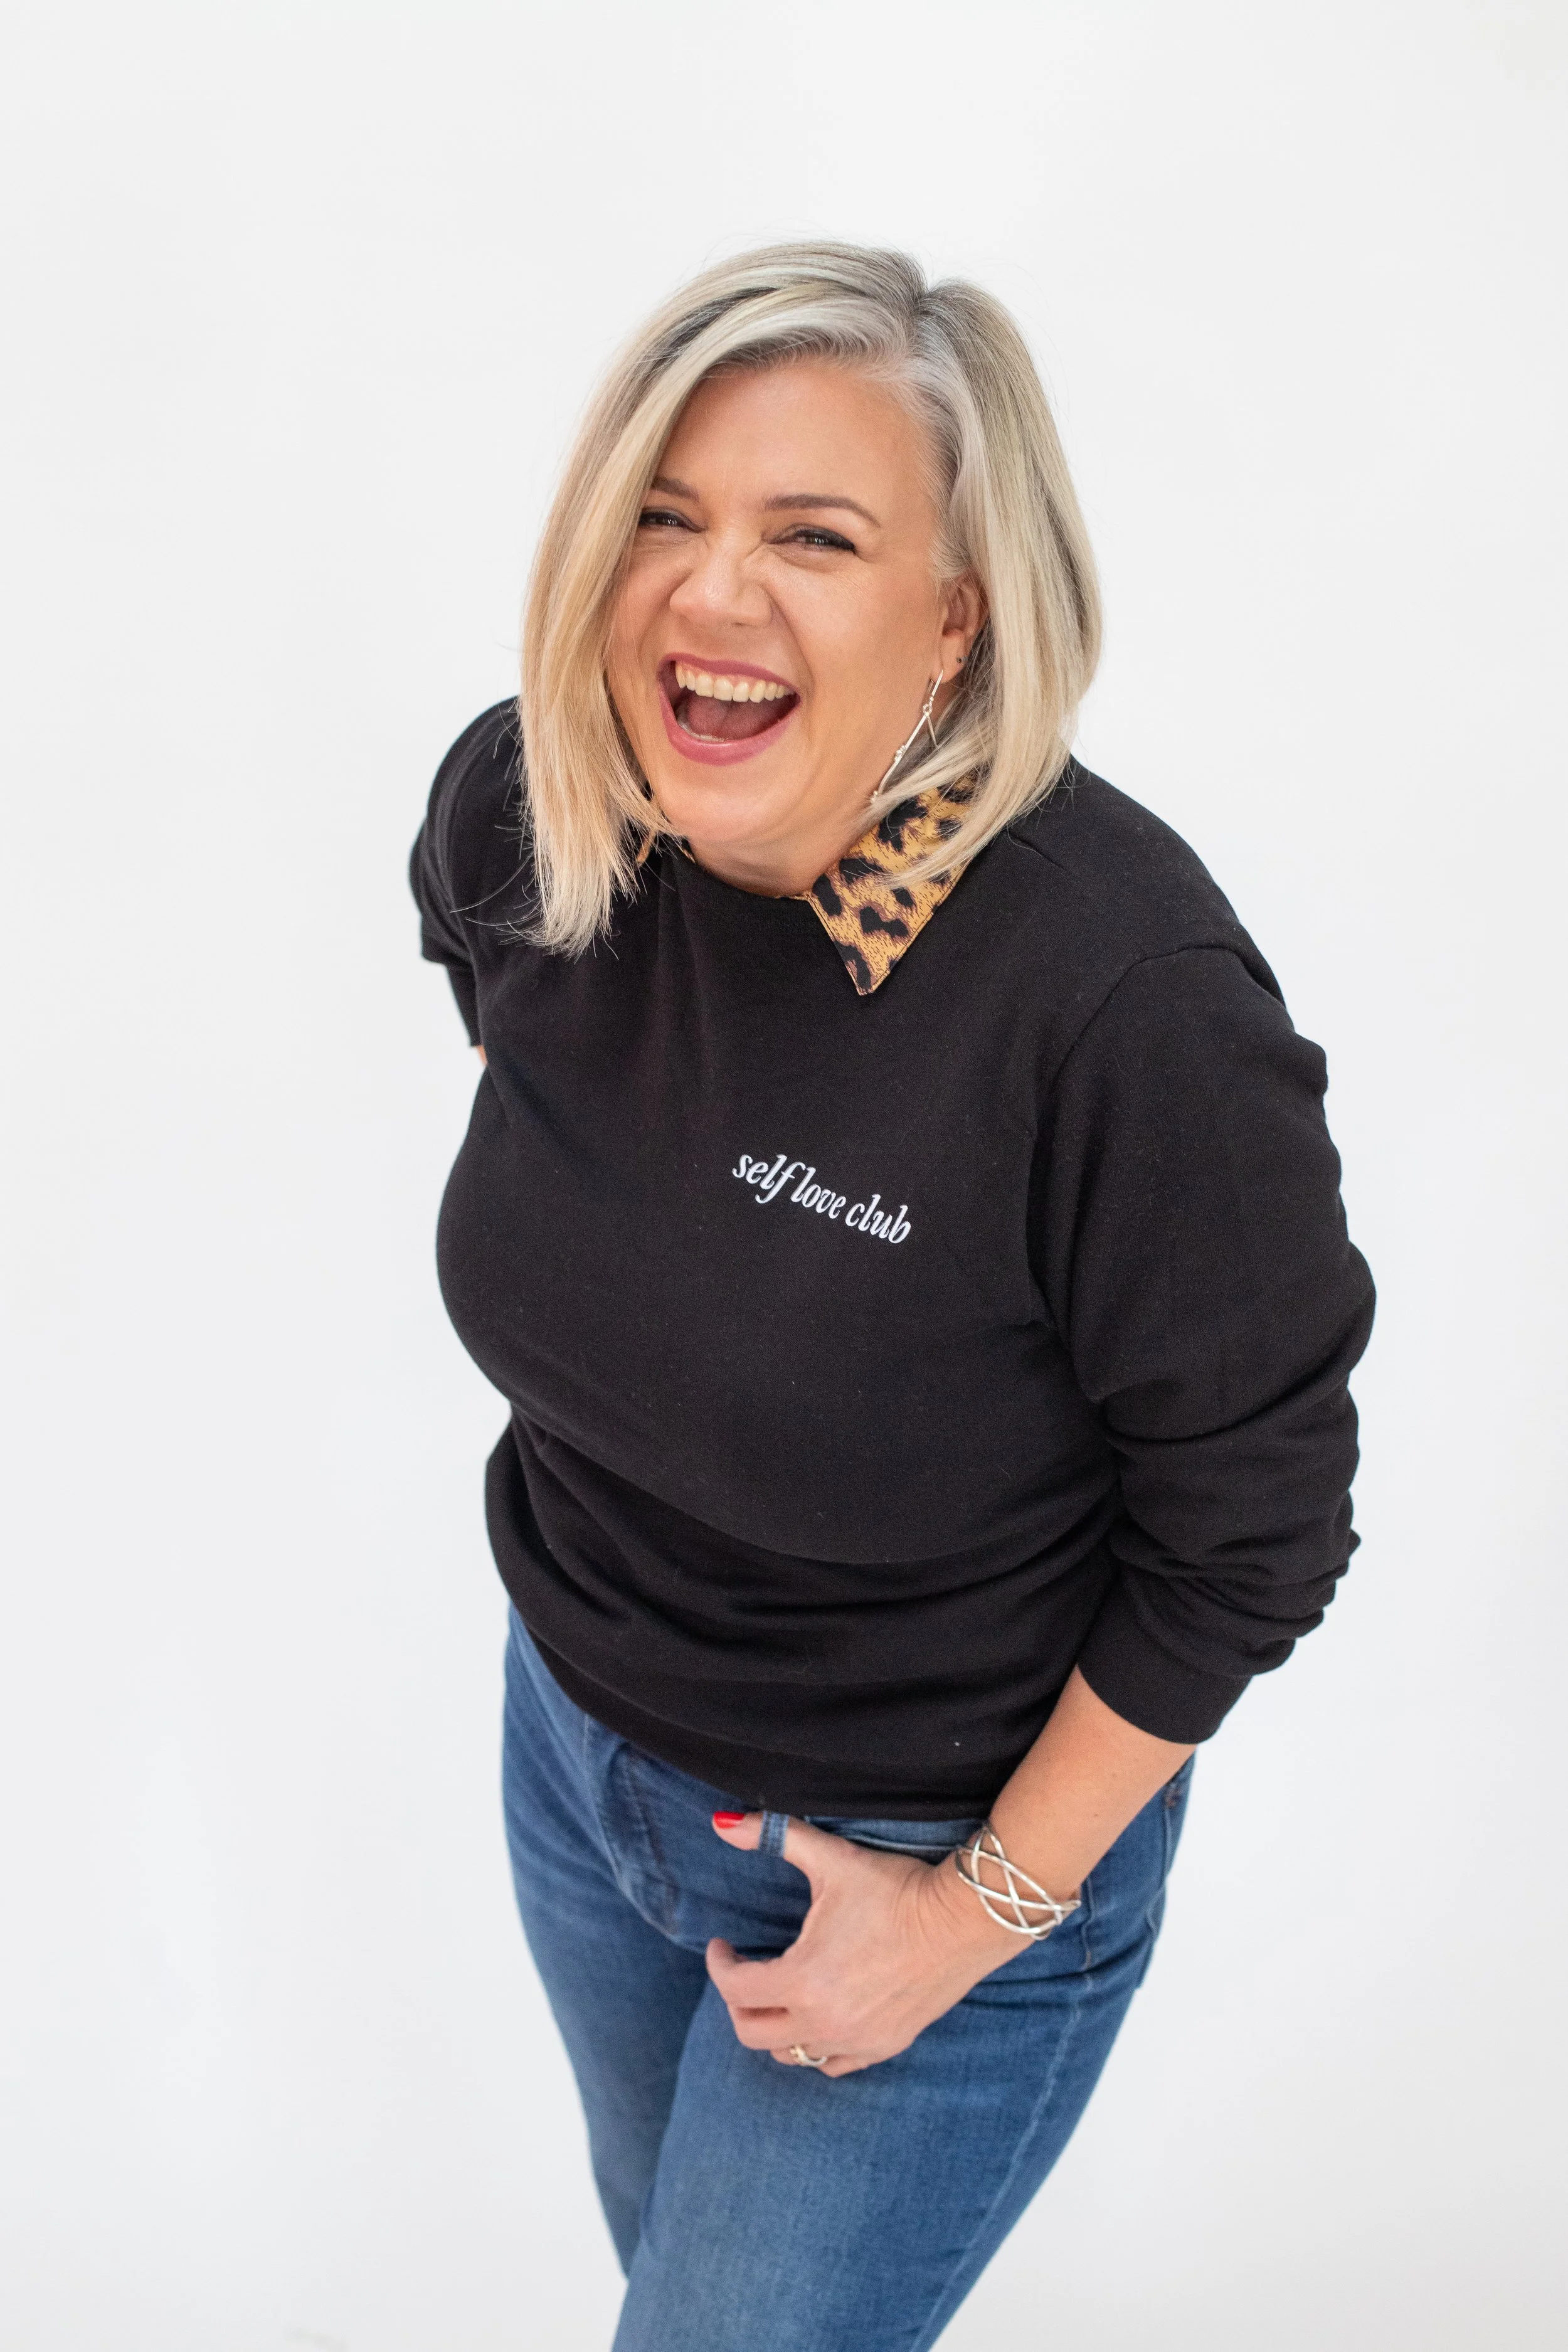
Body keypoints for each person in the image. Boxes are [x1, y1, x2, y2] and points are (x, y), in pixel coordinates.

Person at [410, 243, 1374, 2351]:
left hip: (920, 1847)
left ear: (957, 612)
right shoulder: (529, 815)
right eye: (662, 515)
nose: (711, 591)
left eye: (813, 536)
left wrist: (969, 1919)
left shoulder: (1121, 1008)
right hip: (573, 1759)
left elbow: (1254, 1532)